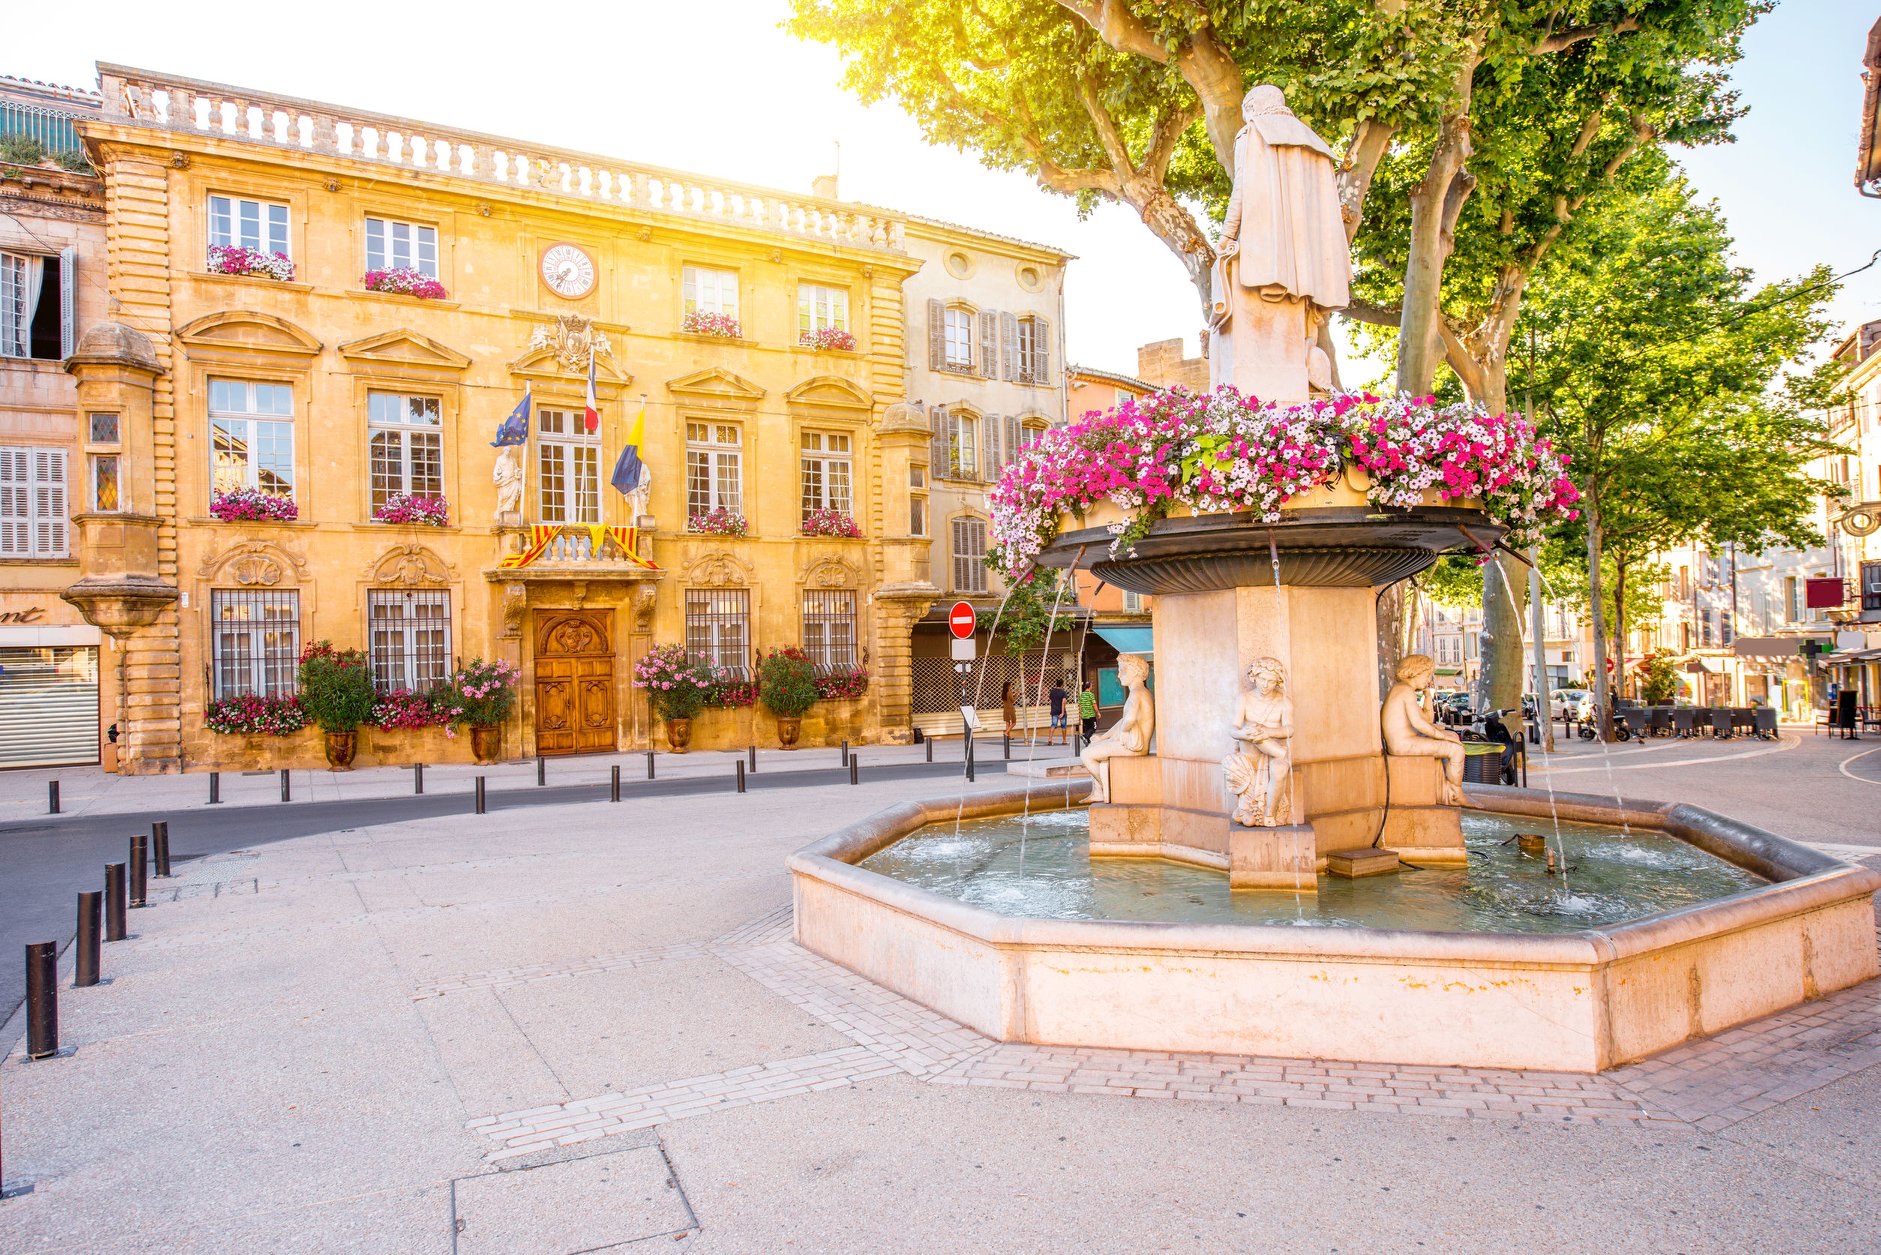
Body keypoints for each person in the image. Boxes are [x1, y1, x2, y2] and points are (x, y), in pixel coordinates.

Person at [1381, 654, 1466, 805]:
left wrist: (1428, 696)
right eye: (1427, 675)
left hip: (1406, 741)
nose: (1428, 680)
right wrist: (1441, 736)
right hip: (1403, 745)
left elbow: (1427, 720)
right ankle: (1455, 793)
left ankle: (1445, 790)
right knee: (1456, 750)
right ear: (1415, 672)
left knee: (1452, 735)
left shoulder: (1403, 689)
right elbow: (1419, 724)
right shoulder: (1404, 691)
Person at [1080, 655, 1154, 804]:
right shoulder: (1140, 692)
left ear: (1134, 672)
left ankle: (1109, 787)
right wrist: (1104, 737)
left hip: (1134, 747)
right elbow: (1123, 721)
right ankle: (1098, 792)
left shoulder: (1137, 693)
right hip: (1133, 744)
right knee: (1094, 745)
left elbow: (1129, 720)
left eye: (1122, 670)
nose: (1119, 675)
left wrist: (1124, 732)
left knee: (1086, 754)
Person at [1077, 680, 1099, 749]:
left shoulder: (1082, 695)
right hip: (1091, 715)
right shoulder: (1090, 694)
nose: (1092, 687)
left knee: (1087, 728)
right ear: (1089, 687)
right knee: (1093, 728)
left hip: (1084, 715)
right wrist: (1098, 712)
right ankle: (1085, 736)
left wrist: (1080, 714)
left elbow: (1080, 705)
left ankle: (1087, 741)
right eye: (1091, 686)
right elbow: (1094, 704)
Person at [1048, 678, 1069, 746]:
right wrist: (1062, 712)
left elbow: (1051, 701)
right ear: (1062, 684)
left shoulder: (1052, 691)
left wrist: (1052, 709)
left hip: (1054, 711)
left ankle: (1050, 739)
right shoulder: (1063, 692)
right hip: (1061, 711)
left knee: (1053, 725)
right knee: (1063, 726)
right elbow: (1063, 702)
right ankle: (1064, 740)